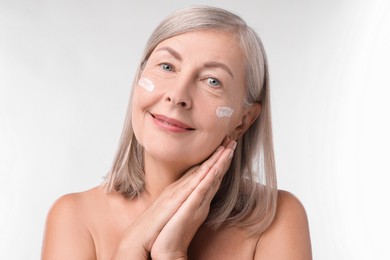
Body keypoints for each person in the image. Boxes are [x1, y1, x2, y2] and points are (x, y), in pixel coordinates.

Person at [41, 5, 312, 259]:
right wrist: (130, 248)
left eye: (212, 81)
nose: (177, 95)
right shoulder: (74, 217)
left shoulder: (275, 218)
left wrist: (171, 253)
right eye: (167, 66)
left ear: (244, 120)